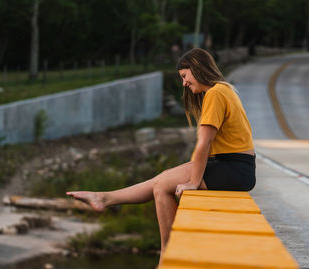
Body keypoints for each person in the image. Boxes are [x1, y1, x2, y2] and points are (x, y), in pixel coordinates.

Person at [67, 48, 255, 256]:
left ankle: (169, 252)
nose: (183, 83)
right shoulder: (222, 90)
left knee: (162, 186)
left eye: (185, 76)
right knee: (162, 178)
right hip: (234, 166)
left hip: (233, 168)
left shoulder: (215, 93)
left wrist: (193, 182)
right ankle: (105, 198)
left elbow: (204, 143)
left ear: (197, 68)